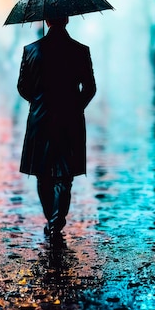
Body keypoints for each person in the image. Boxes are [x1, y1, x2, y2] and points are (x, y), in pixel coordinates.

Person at [17, 16, 96, 238]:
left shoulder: (31, 50)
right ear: (67, 20)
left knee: (43, 173)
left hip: (40, 119)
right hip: (69, 120)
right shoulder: (80, 50)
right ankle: (56, 222)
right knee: (65, 175)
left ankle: (52, 220)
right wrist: (75, 108)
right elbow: (90, 87)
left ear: (47, 21)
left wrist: (39, 102)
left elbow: (22, 87)